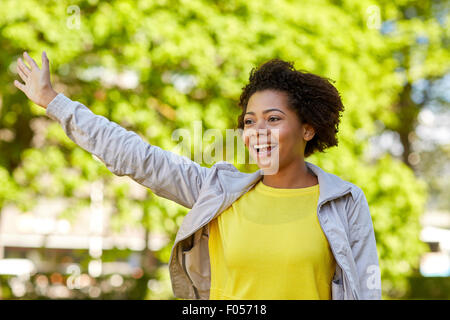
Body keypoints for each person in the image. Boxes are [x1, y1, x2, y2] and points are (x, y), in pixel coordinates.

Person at [14, 51, 381, 300]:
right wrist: (54, 102)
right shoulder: (219, 193)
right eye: (250, 122)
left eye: (274, 119)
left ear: (308, 129)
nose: (258, 132)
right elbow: (137, 157)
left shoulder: (344, 201)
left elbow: (365, 289)